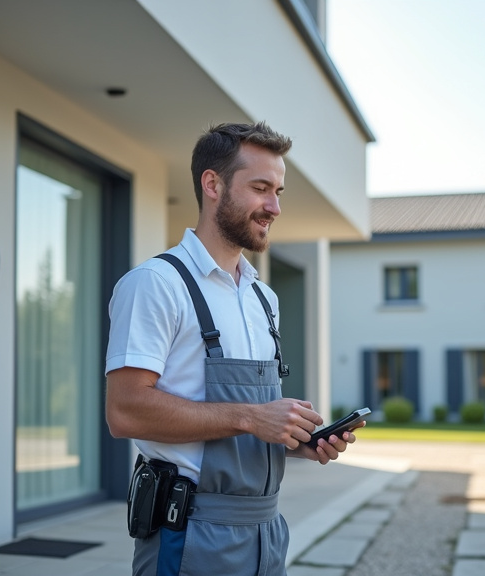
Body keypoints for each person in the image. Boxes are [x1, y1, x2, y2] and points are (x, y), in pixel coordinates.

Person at [105, 121, 358, 576]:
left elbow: (250, 427)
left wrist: (294, 440)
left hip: (266, 533)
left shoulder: (264, 298)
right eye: (261, 188)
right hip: (188, 536)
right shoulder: (155, 285)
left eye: (279, 191)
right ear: (213, 184)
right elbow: (125, 411)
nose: (274, 207)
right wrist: (251, 416)